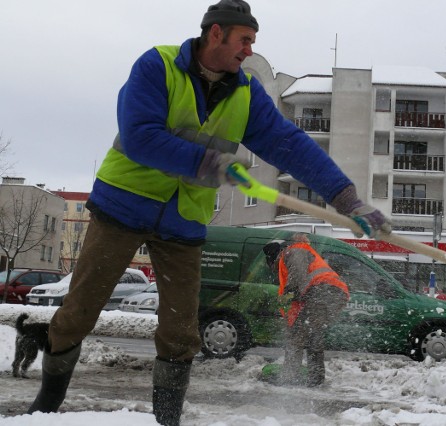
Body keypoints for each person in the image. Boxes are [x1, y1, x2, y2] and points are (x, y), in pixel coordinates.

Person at [27, 1, 391, 425]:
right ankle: (46, 408)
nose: (248, 50)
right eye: (244, 40)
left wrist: (347, 199)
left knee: (181, 331)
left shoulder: (246, 93)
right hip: (123, 206)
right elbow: (140, 136)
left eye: (253, 42)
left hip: (183, 221)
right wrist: (211, 163)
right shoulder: (157, 66)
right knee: (79, 311)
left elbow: (290, 145)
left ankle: (167, 420)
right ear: (215, 33)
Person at [263, 233, 350, 387]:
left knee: (297, 338)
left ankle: (290, 379)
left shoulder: (292, 252)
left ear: (273, 257)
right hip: (331, 292)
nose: (273, 269)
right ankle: (315, 380)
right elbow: (299, 294)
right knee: (312, 336)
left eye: (271, 265)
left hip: (323, 291)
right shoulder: (297, 252)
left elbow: (297, 279)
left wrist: (288, 295)